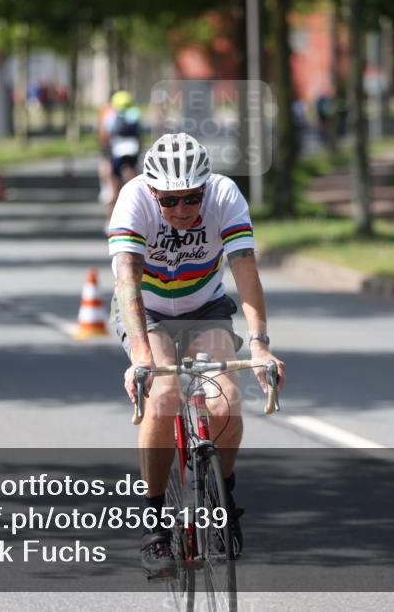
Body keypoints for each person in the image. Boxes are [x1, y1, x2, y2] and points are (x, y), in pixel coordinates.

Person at [107, 132, 286, 578]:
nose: (182, 210)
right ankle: (154, 523)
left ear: (207, 187)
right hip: (145, 309)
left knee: (226, 397)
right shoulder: (132, 200)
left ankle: (222, 499)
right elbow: (126, 282)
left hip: (205, 306)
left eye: (192, 198)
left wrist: (260, 342)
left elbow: (246, 271)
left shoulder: (226, 195)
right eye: (170, 201)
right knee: (165, 396)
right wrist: (142, 360)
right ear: (152, 192)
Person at [103, 90, 143, 226]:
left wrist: (106, 154)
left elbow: (106, 136)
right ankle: (137, 221)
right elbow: (139, 135)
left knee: (114, 187)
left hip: (116, 152)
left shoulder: (110, 115)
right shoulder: (135, 114)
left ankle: (109, 221)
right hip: (132, 150)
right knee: (134, 186)